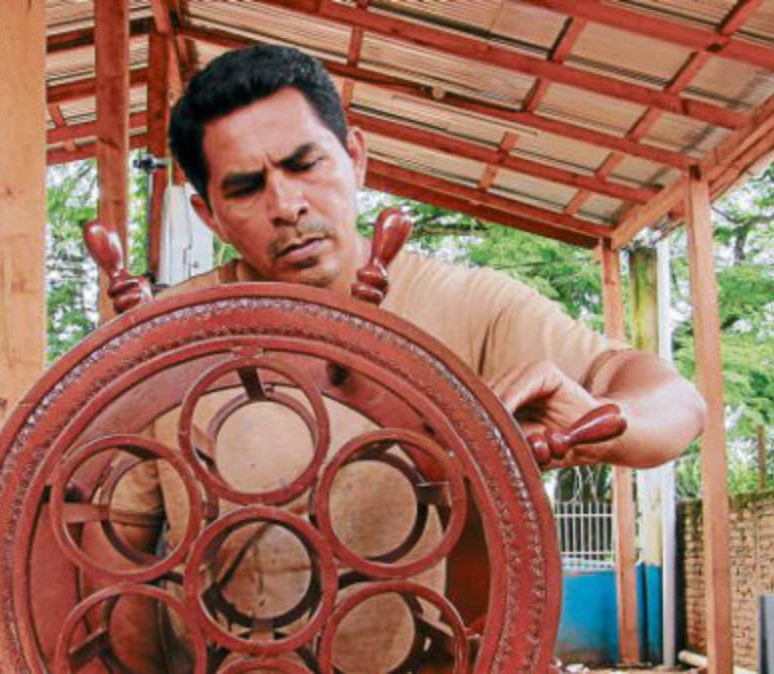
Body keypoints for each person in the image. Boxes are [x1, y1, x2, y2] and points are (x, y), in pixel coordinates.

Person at [104, 44, 705, 672]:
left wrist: (604, 421)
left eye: (305, 164)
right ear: (209, 215)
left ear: (356, 157)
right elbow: (115, 564)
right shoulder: (164, 343)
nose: (287, 205)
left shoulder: (472, 308)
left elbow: (680, 405)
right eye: (247, 188)